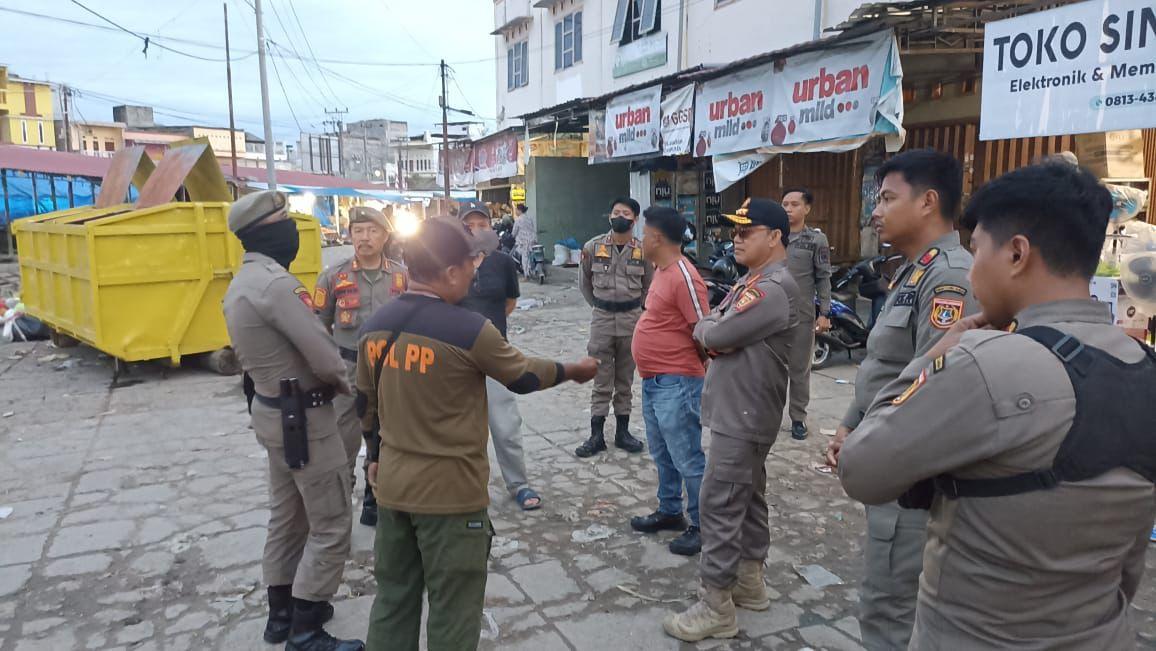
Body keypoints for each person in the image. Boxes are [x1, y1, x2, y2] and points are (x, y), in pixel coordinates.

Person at [839, 162, 1156, 649]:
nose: (972, 267)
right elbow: (1130, 563)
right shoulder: (1143, 367)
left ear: (1016, 254)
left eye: (978, 250)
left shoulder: (982, 364)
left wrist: (930, 359)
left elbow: (861, 469)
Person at [357, 218, 598, 651]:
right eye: (470, 265)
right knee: (453, 609)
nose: (474, 273)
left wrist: (374, 455)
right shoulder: (467, 329)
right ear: (450, 272)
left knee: (393, 599)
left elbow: (367, 405)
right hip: (450, 497)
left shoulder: (376, 324)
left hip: (392, 490)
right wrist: (573, 371)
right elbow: (522, 375)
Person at [825, 149, 977, 651]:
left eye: (888, 197)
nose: (875, 210)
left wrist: (874, 443)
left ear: (928, 201)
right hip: (888, 455)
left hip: (911, 474)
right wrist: (851, 423)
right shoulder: (914, 270)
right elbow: (885, 365)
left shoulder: (949, 276)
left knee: (890, 608)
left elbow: (931, 383)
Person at [221, 190, 364, 651]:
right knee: (331, 521)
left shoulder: (242, 282)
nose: (291, 230)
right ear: (270, 231)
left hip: (272, 412)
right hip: (305, 417)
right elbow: (324, 354)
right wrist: (350, 389)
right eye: (285, 221)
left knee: (288, 517)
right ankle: (306, 629)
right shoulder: (277, 286)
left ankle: (281, 615)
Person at [663, 198, 800, 642]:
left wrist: (709, 330)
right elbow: (716, 325)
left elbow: (715, 332)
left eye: (747, 231)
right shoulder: (751, 280)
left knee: (719, 504)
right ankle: (749, 581)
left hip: (744, 413)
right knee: (748, 497)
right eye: (735, 231)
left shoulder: (772, 288)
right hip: (741, 409)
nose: (736, 238)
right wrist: (712, 328)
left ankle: (715, 604)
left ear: (775, 236)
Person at [313, 206, 407, 528]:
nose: (364, 238)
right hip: (348, 370)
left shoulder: (401, 276)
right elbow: (316, 326)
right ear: (350, 235)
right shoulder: (333, 276)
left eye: (372, 231)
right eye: (358, 231)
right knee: (344, 441)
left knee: (388, 436)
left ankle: (377, 502)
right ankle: (339, 513)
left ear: (385, 236)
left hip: (391, 369)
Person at [629, 206, 710, 557]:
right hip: (655, 381)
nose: (640, 240)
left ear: (657, 238)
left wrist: (691, 369)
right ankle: (670, 510)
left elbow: (704, 331)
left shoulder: (684, 276)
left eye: (644, 234)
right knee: (663, 453)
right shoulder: (661, 270)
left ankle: (702, 525)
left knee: (687, 457)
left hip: (678, 382)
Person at [458, 200, 543, 511]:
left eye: (483, 225)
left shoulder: (504, 262)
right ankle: (466, 487)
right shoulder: (446, 263)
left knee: (505, 425)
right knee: (461, 428)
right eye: (470, 225)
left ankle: (518, 483)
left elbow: (508, 304)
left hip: (495, 355)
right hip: (455, 357)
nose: (477, 231)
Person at [575, 197, 653, 457]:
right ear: (610, 217)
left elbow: (649, 287)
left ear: (635, 219)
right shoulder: (592, 246)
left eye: (626, 212)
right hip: (602, 320)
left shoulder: (643, 251)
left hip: (632, 320)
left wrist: (638, 309)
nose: (620, 216)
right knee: (600, 377)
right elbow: (585, 283)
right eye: (616, 212)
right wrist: (600, 306)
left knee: (625, 379)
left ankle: (623, 432)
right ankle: (596, 435)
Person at [781, 187, 832, 441]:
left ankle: (798, 417)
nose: (788, 209)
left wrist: (824, 312)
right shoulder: (773, 236)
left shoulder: (816, 241)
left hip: (801, 315)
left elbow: (823, 278)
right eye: (785, 204)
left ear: (807, 209)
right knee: (769, 369)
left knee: (799, 370)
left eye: (794, 204)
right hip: (771, 315)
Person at [511, 203, 537, 278]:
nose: (515, 211)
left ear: (519, 210)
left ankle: (526, 275)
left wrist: (512, 236)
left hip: (523, 241)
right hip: (532, 239)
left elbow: (514, 232)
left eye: (516, 210)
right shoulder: (529, 218)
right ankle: (531, 272)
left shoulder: (518, 220)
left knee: (525, 258)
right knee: (530, 256)